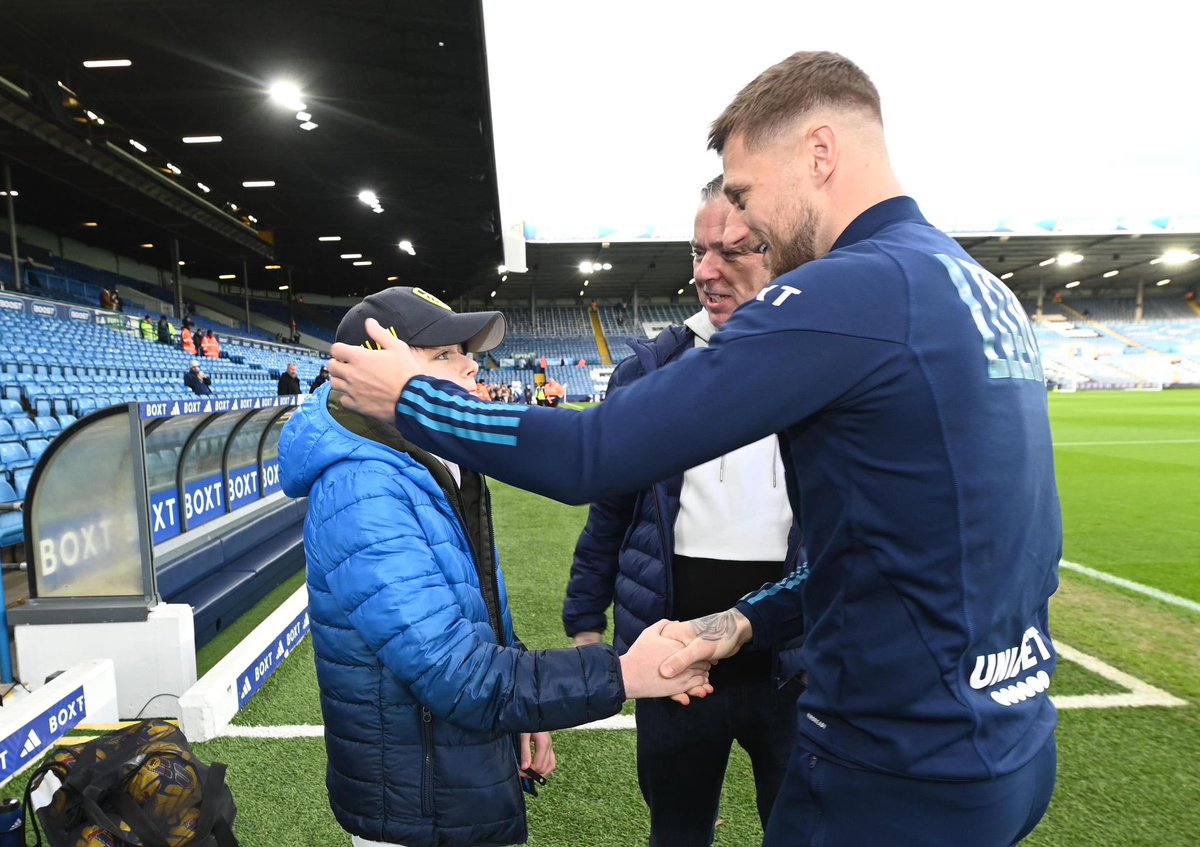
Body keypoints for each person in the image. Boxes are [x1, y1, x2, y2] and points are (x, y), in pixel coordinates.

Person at [325, 51, 1062, 847]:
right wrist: (745, 621)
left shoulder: (855, 287)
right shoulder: (975, 285)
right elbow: (892, 543)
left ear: (820, 152)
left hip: (895, 767)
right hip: (1009, 744)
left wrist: (410, 394)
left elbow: (594, 455)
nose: (745, 227)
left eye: (744, 194)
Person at [277, 287, 711, 847]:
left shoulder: (427, 458)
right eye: (443, 356)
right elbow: (452, 673)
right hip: (423, 804)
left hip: (446, 778)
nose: (470, 364)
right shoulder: (366, 486)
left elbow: (472, 616)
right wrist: (624, 674)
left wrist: (522, 715)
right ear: (372, 369)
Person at [564, 175, 802, 847]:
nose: (705, 272)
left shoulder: (826, 367)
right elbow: (611, 507)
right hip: (671, 661)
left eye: (732, 251)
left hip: (792, 663)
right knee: (676, 832)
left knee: (805, 828)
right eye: (698, 252)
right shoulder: (651, 372)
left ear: (782, 252)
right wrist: (585, 620)